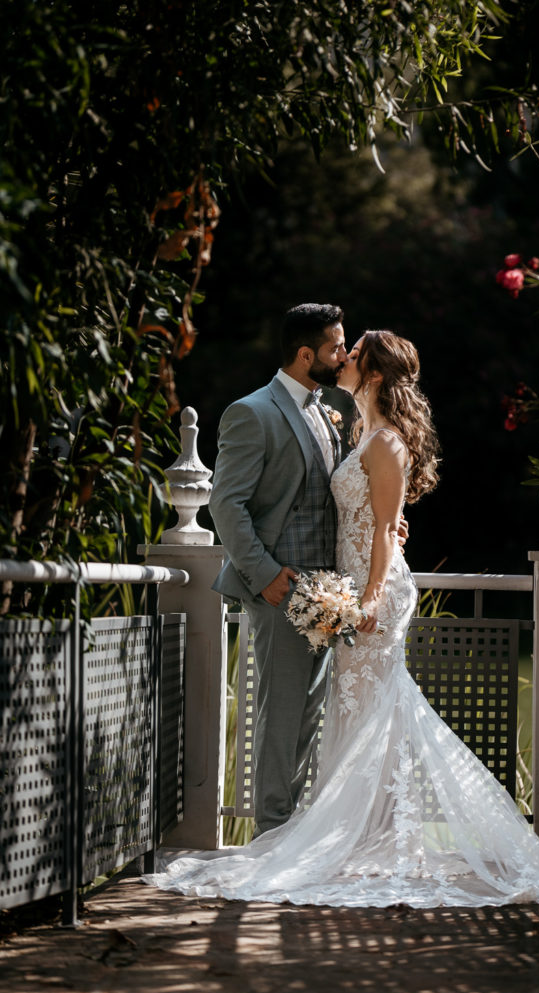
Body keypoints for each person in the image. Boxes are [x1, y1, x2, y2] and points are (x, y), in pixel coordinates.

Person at [145, 330, 539, 908]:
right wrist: (369, 564)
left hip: (374, 593)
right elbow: (377, 515)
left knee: (373, 706)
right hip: (351, 586)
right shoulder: (356, 430)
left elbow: (382, 527)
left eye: (353, 356)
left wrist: (375, 593)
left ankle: (373, 838)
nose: (343, 360)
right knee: (360, 711)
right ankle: (366, 836)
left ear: (374, 374)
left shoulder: (386, 442)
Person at [208, 303, 347, 836]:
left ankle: (289, 836)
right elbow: (226, 504)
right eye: (336, 347)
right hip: (279, 589)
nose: (343, 354)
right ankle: (270, 836)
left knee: (308, 720)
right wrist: (265, 574)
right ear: (306, 354)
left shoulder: (327, 409)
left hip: (328, 591)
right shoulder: (252, 411)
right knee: (281, 716)